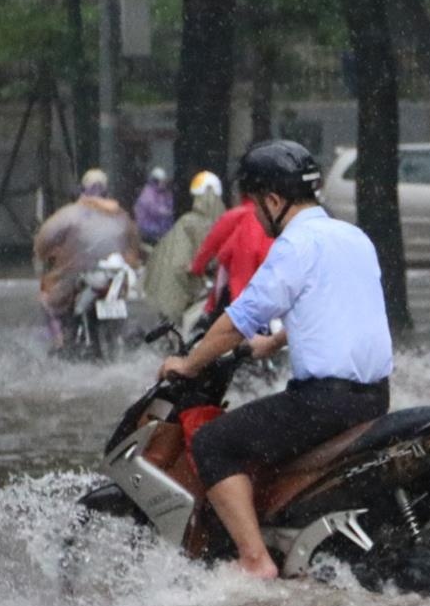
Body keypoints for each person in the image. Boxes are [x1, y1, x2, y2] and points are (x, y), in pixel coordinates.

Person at [161, 140, 394, 579]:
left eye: (254, 203)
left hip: (325, 404)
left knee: (214, 442)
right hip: (374, 398)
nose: (254, 212)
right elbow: (336, 307)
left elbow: (237, 321)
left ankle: (254, 561)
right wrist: (276, 342)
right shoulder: (354, 237)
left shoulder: (296, 244)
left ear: (273, 200)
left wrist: (189, 364)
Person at [31, 168, 144, 348]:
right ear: (106, 190)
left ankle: (59, 342)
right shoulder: (121, 215)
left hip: (78, 276)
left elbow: (44, 240)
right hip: (115, 278)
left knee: (47, 300)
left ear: (83, 189)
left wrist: (43, 252)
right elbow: (134, 247)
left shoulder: (70, 214)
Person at [143, 171, 226, 332]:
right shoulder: (198, 223)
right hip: (187, 291)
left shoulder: (189, 221)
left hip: (176, 292)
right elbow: (207, 260)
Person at [189, 181, 278, 316]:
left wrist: (197, 267)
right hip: (272, 293)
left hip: (240, 293)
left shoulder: (237, 215)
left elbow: (211, 246)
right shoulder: (277, 218)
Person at [134, 167, 175, 243]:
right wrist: (165, 212)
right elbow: (153, 209)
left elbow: (171, 207)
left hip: (163, 232)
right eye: (161, 181)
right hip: (149, 232)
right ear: (155, 181)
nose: (164, 183)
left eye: (164, 181)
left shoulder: (164, 193)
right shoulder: (147, 193)